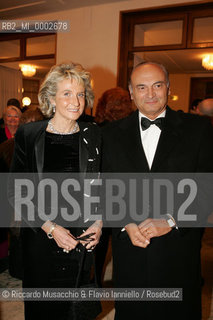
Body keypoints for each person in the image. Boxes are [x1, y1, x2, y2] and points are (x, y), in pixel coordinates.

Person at [101, 62, 213, 320]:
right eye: (142, 87)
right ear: (131, 92)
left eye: (157, 85)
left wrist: (172, 220)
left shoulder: (198, 130)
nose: (150, 94)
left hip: (179, 252)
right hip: (130, 254)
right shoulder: (109, 136)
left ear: (168, 88)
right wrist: (125, 221)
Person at [10, 62, 102, 320]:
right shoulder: (29, 135)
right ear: (51, 97)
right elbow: (15, 192)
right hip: (41, 239)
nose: (76, 101)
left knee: (76, 311)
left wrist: (99, 220)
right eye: (67, 93)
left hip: (81, 240)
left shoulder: (93, 134)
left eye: (81, 94)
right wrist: (51, 228)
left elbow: (101, 186)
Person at [94, 87, 134, 286]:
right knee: (124, 244)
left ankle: (95, 283)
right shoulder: (133, 132)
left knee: (98, 245)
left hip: (99, 195)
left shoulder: (96, 130)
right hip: (124, 197)